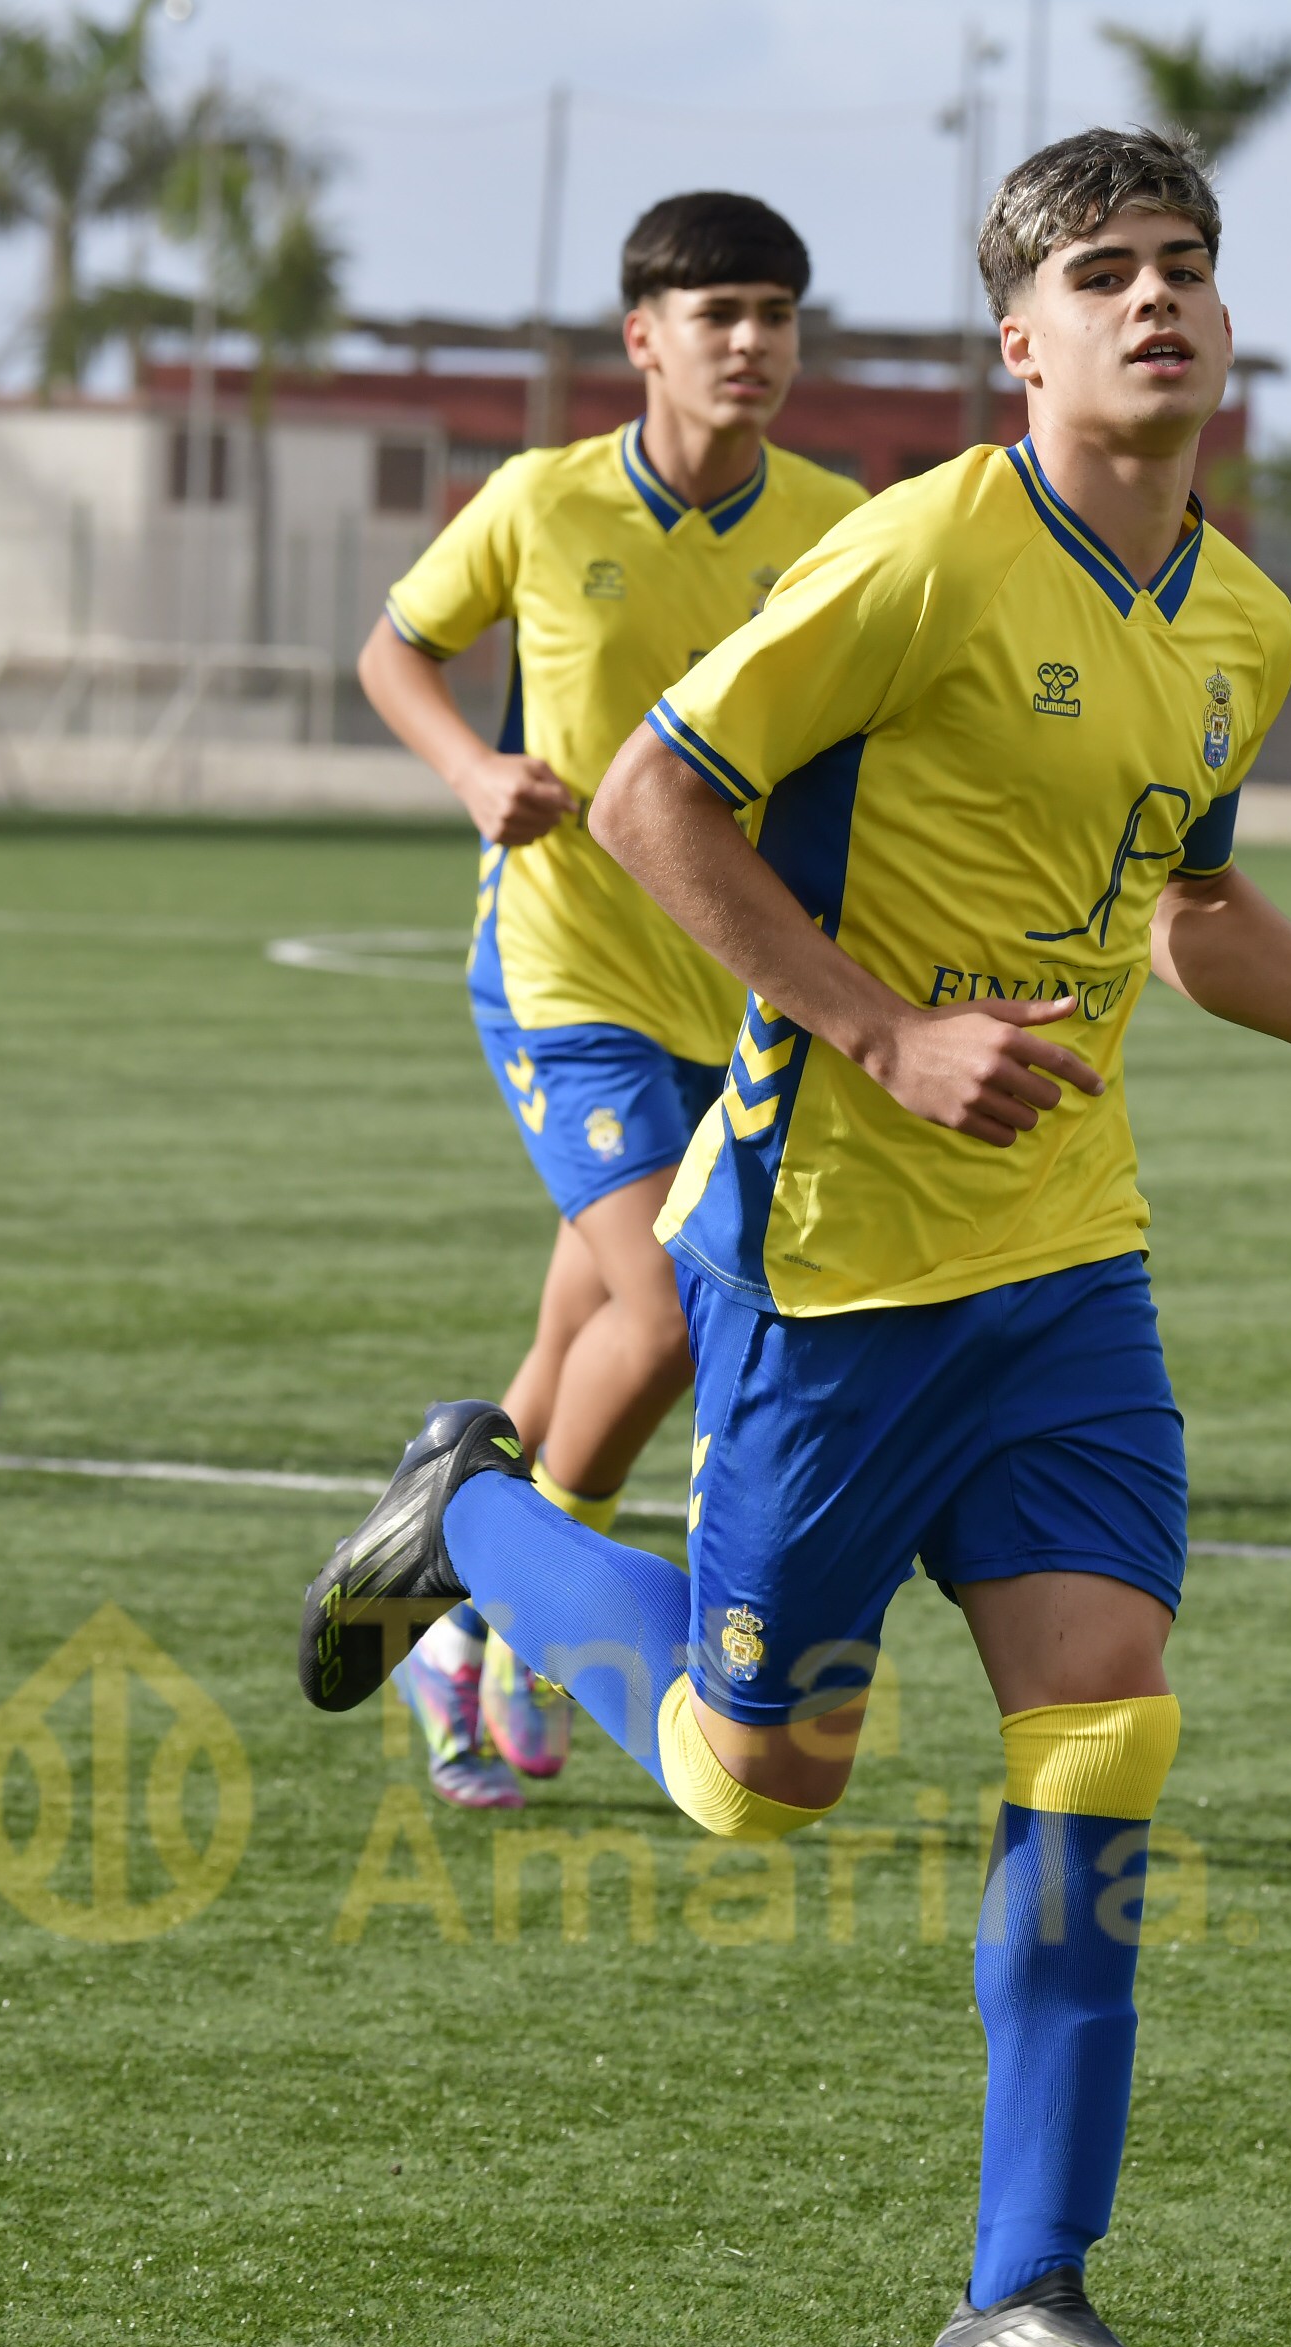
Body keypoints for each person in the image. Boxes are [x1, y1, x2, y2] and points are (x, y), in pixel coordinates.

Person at [297, 128, 1291, 2347]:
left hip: (1064, 1267)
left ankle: (1019, 2302)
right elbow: (651, 794)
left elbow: (1189, 910)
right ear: (1017, 342)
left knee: (1104, 1724)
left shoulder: (1239, 620)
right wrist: (878, 1027)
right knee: (747, 1779)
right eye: (1101, 271)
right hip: (827, 1260)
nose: (1152, 298)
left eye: (1183, 264)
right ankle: (471, 1511)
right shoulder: (920, 546)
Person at [354, 193, 864, 1810]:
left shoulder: (840, 523)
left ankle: (435, 1590)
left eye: (776, 314)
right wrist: (469, 769)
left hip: (739, 991)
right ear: (642, 336)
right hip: (563, 972)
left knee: (581, 1329)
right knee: (662, 1315)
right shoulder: (538, 497)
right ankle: (517, 1614)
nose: (752, 342)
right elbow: (393, 652)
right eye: (718, 313)